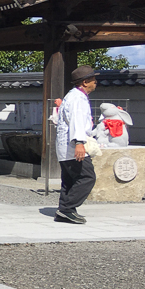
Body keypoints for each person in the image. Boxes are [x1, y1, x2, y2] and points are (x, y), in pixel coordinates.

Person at [54, 65, 99, 225]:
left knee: (70, 179)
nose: (95, 82)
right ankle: (67, 208)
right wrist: (79, 142)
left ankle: (65, 211)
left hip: (64, 146)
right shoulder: (78, 99)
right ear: (85, 82)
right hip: (73, 146)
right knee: (87, 177)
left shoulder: (72, 96)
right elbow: (77, 121)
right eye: (93, 80)